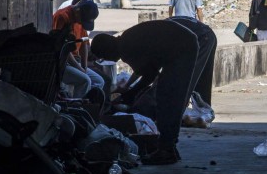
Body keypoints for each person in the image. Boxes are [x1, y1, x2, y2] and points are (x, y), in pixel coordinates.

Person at [90, 18, 217, 165]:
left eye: (104, 57)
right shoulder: (127, 39)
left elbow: (149, 75)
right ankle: (169, 147)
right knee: (167, 97)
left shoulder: (126, 48)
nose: (108, 59)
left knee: (168, 99)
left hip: (183, 49)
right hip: (182, 47)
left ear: (107, 49)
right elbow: (149, 70)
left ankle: (166, 150)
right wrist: (131, 91)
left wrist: (131, 94)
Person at [52, 0, 104, 99]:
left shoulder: (81, 18)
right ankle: (76, 106)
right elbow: (63, 49)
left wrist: (84, 67)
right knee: (85, 81)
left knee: (99, 82)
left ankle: (86, 106)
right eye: (82, 20)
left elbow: (84, 43)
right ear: (77, 10)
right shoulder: (62, 17)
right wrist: (79, 68)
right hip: (61, 62)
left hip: (76, 61)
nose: (81, 24)